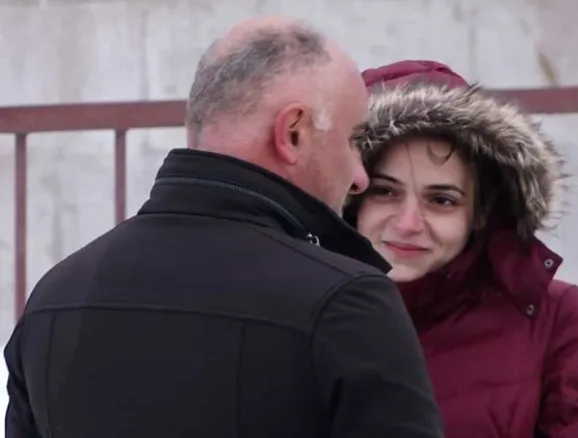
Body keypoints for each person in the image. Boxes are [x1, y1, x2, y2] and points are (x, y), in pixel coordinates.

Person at [4, 20, 444, 438]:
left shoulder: (54, 297)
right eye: (353, 141)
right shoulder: (345, 303)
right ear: (292, 132)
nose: (360, 177)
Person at [346, 60, 578, 438]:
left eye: (441, 200)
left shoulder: (551, 318)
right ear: (351, 194)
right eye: (385, 191)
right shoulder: (297, 309)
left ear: (479, 212)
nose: (409, 223)